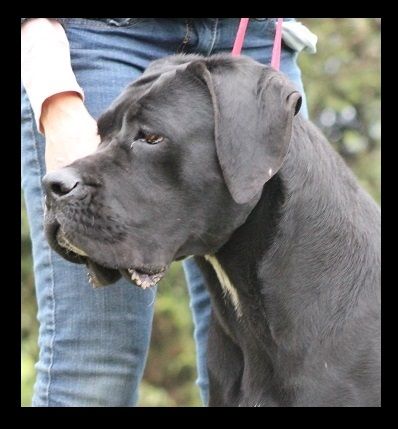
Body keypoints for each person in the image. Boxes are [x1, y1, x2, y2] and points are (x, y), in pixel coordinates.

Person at [21, 18, 314, 407]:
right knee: (94, 373)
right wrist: (55, 95)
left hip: (258, 42)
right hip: (106, 38)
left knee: (279, 381)